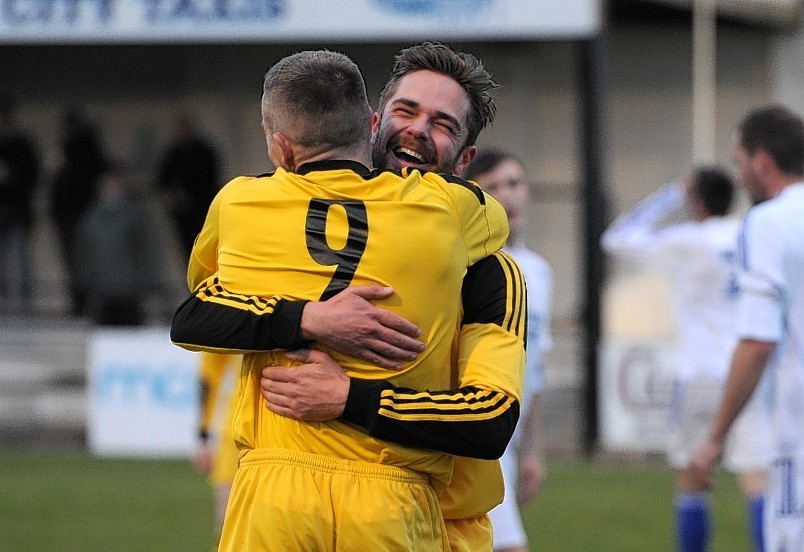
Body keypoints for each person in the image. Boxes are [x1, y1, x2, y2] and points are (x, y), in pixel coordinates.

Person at [172, 42, 528, 552]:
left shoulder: (490, 272)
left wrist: (350, 399)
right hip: (288, 492)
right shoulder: (278, 213)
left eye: (443, 124)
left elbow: (490, 418)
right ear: (373, 122)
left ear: (466, 158)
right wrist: (310, 318)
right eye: (407, 111)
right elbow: (195, 318)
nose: (418, 130)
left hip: (431, 515)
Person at [602, 166, 771, 552]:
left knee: (692, 480)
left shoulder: (687, 240)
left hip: (699, 374)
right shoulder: (750, 236)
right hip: (747, 371)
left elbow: (616, 238)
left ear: (696, 201)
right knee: (757, 479)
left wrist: (670, 195)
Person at [690, 105, 804, 552]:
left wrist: (715, 436)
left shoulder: (769, 222)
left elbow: (758, 342)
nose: (739, 176)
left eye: (739, 162)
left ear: (761, 162)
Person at [464, 149, 551, 552]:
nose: (507, 196)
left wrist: (532, 449)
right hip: (474, 440)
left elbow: (535, 366)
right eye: (493, 187)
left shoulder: (538, 271)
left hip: (509, 443)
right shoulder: (470, 267)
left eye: (514, 183)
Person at [73, 161, 162, 325]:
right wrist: (84, 281)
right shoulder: (91, 217)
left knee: (130, 335)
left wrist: (148, 280)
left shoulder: (134, 215)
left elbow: (146, 251)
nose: (110, 187)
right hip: (102, 290)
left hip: (129, 290)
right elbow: (84, 251)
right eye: (107, 183)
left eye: (114, 183)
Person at [49, 108, 106, 316]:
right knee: (75, 262)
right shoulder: (67, 151)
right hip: (68, 213)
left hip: (79, 213)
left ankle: (85, 303)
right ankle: (80, 302)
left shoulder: (81, 150)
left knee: (83, 261)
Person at [156, 113, 220, 262]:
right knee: (187, 248)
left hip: (203, 207)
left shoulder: (203, 151)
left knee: (205, 244)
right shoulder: (175, 151)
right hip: (182, 210)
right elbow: (162, 179)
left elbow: (211, 177)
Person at [191, 352, 241, 540]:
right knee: (228, 527)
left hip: (290, 436)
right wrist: (204, 435)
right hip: (237, 433)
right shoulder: (235, 321)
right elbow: (210, 373)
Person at [0, 93, 40, 313]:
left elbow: (33, 175)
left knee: (21, 260)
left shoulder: (22, 144)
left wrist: (11, 176)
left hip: (18, 212)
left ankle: (25, 306)